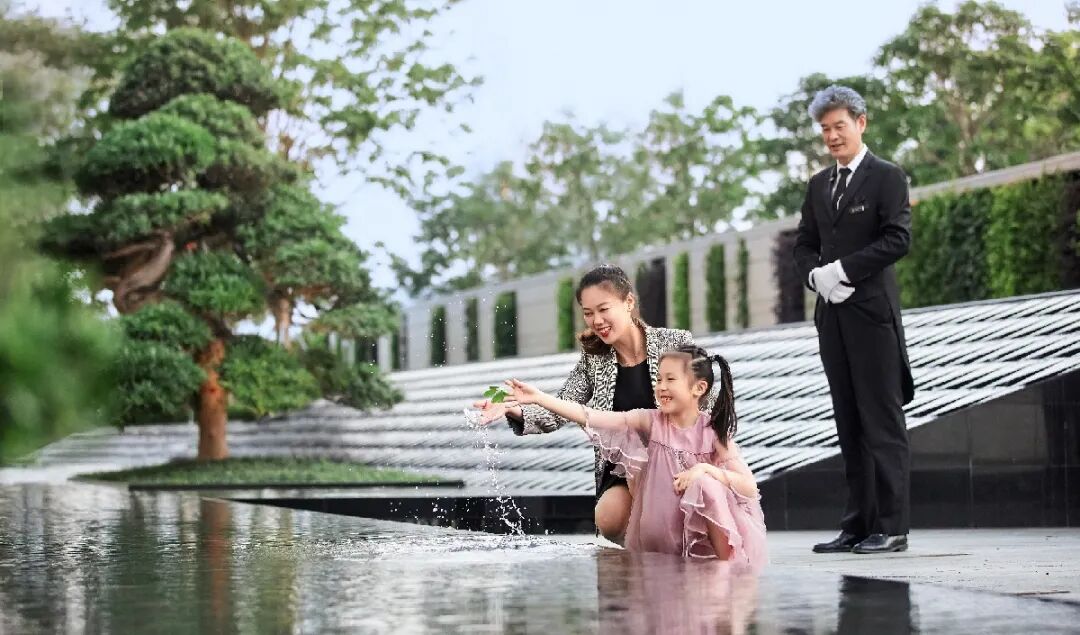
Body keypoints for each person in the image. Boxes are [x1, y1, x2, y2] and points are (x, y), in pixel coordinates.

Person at [472, 264, 713, 543]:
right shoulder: (594, 361)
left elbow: (707, 404)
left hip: (676, 460)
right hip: (622, 469)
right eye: (588, 313)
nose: (596, 320)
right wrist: (512, 407)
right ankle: (642, 556)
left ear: (628, 302)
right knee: (609, 516)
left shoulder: (675, 342)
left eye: (603, 309)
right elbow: (562, 407)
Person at [500, 345, 767, 568]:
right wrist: (539, 398)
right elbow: (590, 416)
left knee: (706, 482)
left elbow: (748, 485)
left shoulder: (713, 432)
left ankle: (725, 568)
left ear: (698, 388)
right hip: (659, 535)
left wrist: (705, 470)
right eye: (659, 379)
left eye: (670, 379)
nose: (661, 387)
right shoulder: (650, 421)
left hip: (700, 539)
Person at [793, 85, 915, 555]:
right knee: (848, 421)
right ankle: (857, 525)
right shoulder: (819, 185)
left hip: (872, 316)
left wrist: (844, 270)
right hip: (832, 316)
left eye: (839, 126)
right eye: (825, 129)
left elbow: (897, 239)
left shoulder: (887, 176)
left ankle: (892, 526)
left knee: (881, 420)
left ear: (861, 123)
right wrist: (816, 277)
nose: (832, 136)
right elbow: (805, 243)